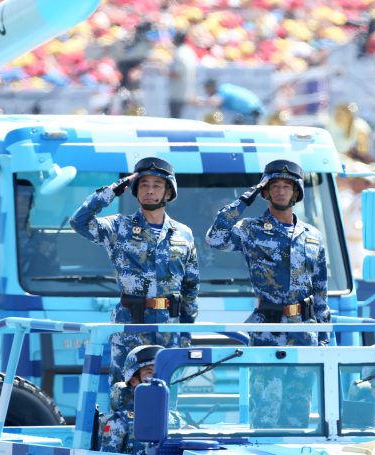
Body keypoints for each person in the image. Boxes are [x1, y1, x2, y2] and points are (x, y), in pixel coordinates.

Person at [69, 157, 199, 383]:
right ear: (136, 190)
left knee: (167, 394)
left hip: (170, 329)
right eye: (144, 185)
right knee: (124, 393)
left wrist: (186, 335)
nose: (150, 191)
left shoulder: (183, 233)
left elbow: (190, 288)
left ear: (168, 192)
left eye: (157, 185)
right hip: (130, 326)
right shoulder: (118, 227)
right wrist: (116, 187)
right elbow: (79, 221)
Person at [206, 159, 330, 347]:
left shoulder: (312, 235)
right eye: (275, 186)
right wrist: (245, 199)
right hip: (267, 330)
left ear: (296, 192)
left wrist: (324, 339)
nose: (281, 191)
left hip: (305, 331)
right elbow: (215, 239)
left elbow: (320, 291)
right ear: (265, 192)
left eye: (287, 186)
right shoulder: (250, 229)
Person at [102, 344, 163, 454]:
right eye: (149, 372)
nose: (156, 378)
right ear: (134, 380)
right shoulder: (119, 422)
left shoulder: (175, 419)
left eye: (159, 372)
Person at [199, 79, 264, 125]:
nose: (206, 92)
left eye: (206, 89)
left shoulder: (224, 89)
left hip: (253, 112)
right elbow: (218, 112)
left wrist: (201, 101)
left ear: (211, 87)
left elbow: (215, 102)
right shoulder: (224, 89)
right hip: (249, 113)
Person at [167, 31, 197, 119]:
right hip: (189, 92)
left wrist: (164, 72)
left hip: (178, 93)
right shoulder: (189, 51)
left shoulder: (179, 53)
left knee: (175, 121)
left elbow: (177, 74)